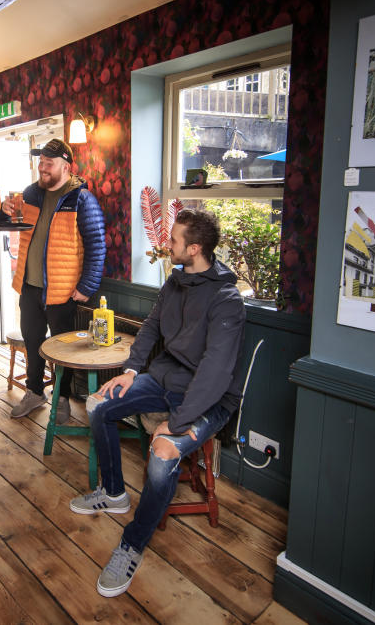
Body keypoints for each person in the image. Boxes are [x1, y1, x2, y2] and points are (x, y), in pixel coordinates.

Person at [70, 208, 245, 597]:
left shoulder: (226, 299)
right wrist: (131, 371)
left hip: (209, 398)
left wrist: (178, 422)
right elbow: (150, 328)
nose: (168, 245)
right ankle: (113, 492)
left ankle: (131, 545)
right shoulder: (175, 282)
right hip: (165, 379)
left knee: (164, 454)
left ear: (195, 248)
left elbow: (215, 374)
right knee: (99, 403)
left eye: (175, 241)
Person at [0, 138, 106, 422]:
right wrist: (2, 210)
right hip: (29, 287)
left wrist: (86, 287)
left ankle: (61, 399)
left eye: (49, 163)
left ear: (66, 167)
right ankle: (35, 392)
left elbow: (97, 244)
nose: (42, 167)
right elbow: (8, 223)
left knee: (62, 350)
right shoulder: (30, 194)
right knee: (33, 343)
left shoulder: (82, 199)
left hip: (63, 291)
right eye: (40, 162)